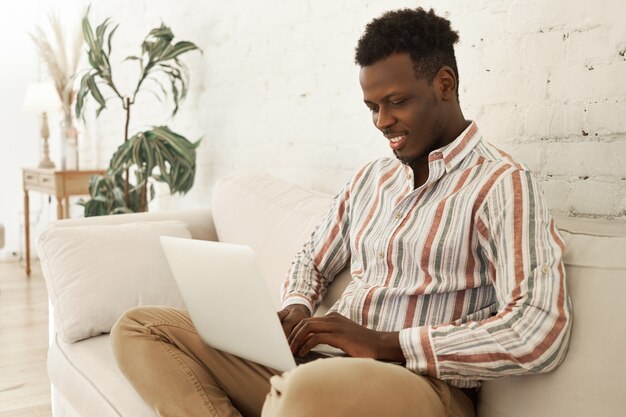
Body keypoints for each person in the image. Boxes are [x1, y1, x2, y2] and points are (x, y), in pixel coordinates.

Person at [111, 7, 572, 417]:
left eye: (396, 101)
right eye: (372, 107)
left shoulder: (502, 183)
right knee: (139, 328)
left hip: (421, 385)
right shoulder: (370, 180)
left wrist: (385, 344)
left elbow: (538, 329)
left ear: (444, 84)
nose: (381, 121)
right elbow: (311, 258)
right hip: (321, 369)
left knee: (304, 395)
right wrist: (296, 304)